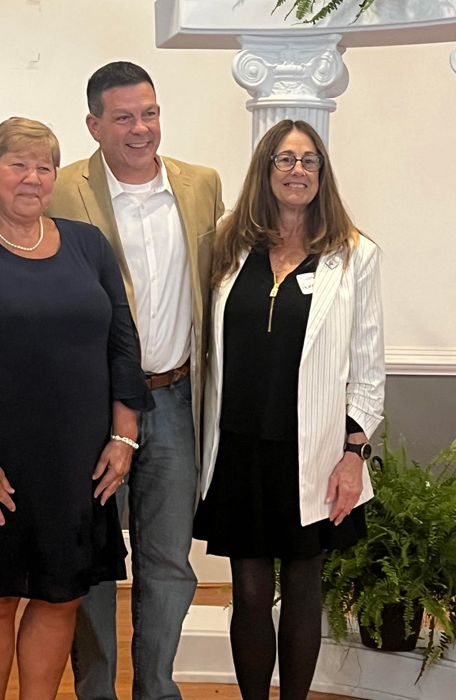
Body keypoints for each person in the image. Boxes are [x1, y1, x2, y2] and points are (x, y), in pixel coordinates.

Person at [0, 116, 153, 700]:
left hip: (81, 459)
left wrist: (124, 437)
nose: (32, 177)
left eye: (44, 166)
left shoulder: (87, 244)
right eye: (18, 164)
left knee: (61, 595)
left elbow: (122, 340)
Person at [46, 62, 224, 700]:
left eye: (149, 113)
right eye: (123, 117)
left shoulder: (201, 185)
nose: (140, 129)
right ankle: (97, 690)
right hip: (91, 408)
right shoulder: (62, 191)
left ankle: (157, 687)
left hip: (175, 397)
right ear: (93, 125)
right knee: (93, 561)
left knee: (169, 560)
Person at [193, 119, 385, 700]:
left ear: (322, 174)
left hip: (316, 450)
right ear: (266, 170)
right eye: (285, 159)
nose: (297, 170)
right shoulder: (226, 249)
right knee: (249, 592)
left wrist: (354, 455)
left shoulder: (354, 256)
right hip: (240, 448)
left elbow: (367, 369)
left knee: (304, 587)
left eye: (308, 161)